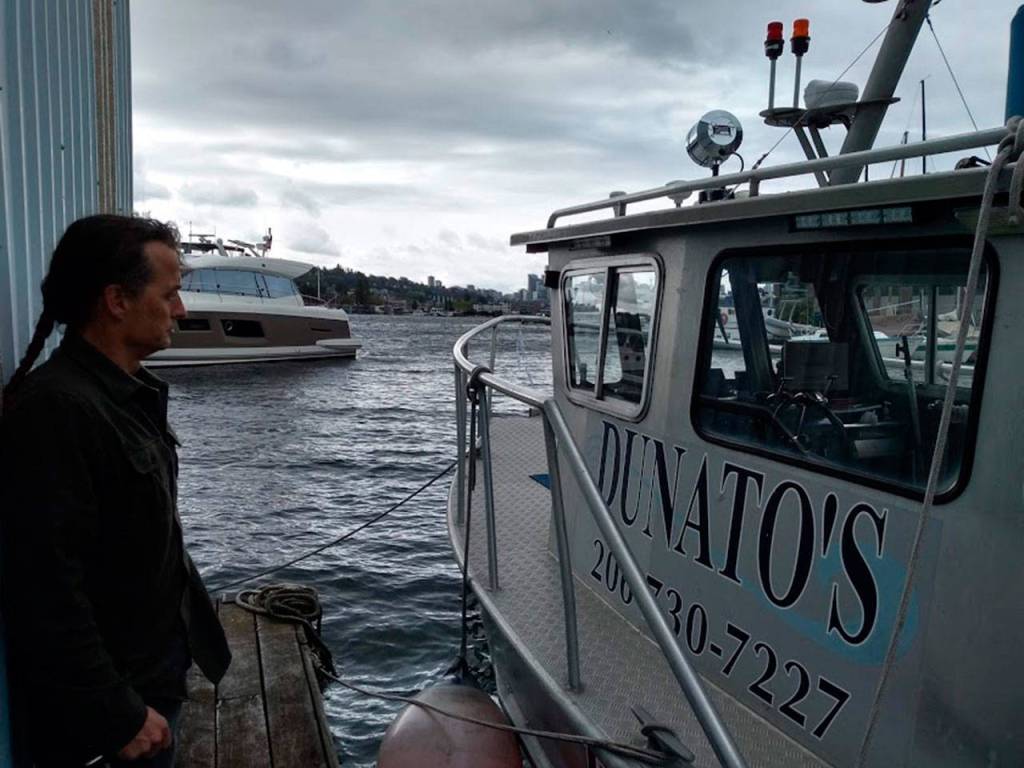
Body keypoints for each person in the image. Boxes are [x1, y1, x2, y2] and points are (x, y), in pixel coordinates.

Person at [0, 215, 231, 766]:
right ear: (116, 301)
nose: (182, 310)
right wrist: (114, 711)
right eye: (170, 294)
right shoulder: (55, 411)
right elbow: (44, 586)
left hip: (150, 681)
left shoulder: (122, 398)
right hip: (112, 721)